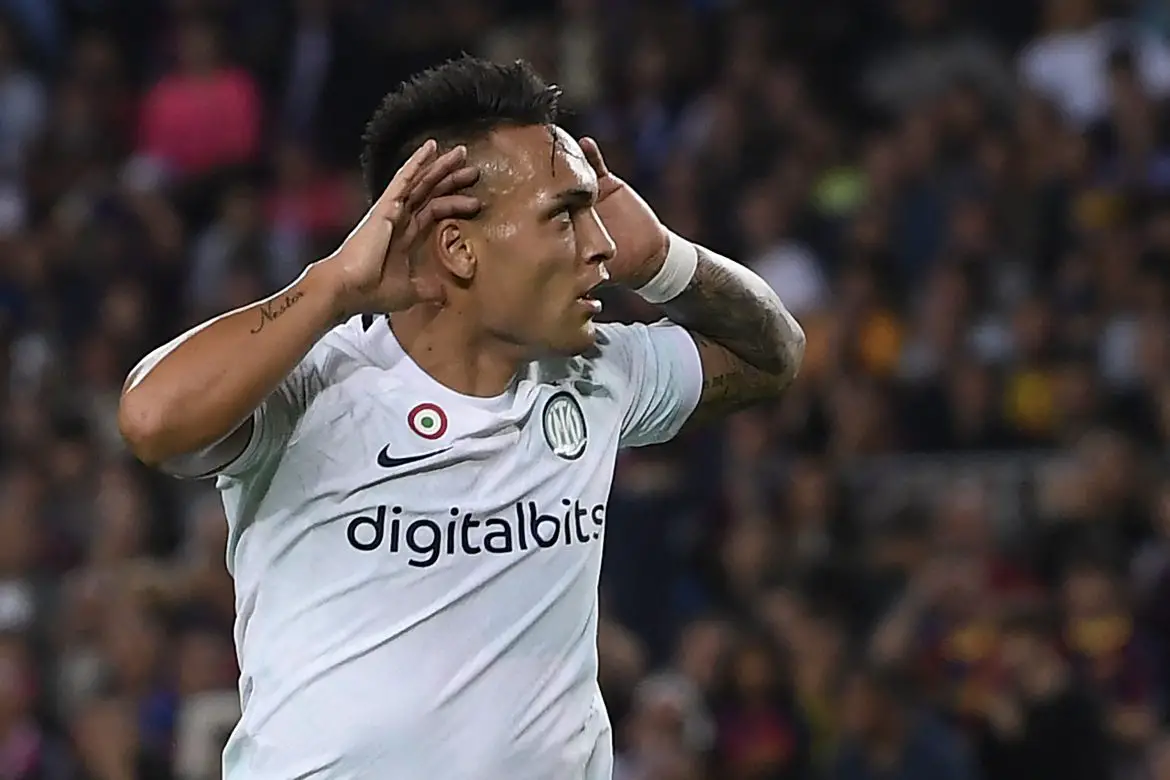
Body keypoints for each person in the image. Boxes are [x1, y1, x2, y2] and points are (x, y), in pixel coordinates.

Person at [117, 56, 805, 780]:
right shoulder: (318, 382)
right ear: (458, 246)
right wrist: (332, 286)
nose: (601, 244)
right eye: (563, 215)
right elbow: (151, 421)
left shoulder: (596, 372)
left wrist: (664, 259)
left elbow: (773, 356)